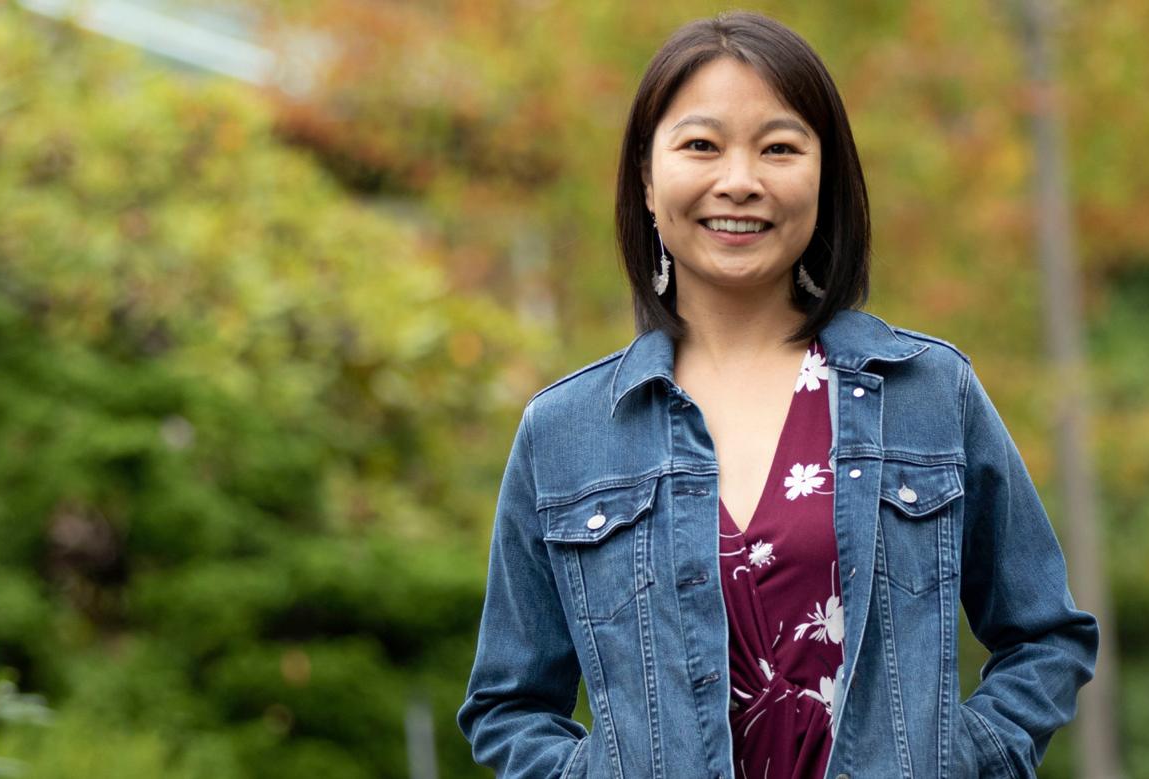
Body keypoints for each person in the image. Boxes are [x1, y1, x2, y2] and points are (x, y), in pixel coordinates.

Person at [458, 10, 1098, 778]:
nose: (740, 180)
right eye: (701, 145)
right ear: (646, 174)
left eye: (779, 148)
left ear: (823, 174)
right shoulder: (566, 431)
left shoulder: (929, 392)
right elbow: (509, 704)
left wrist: (968, 755)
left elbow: (1044, 634)